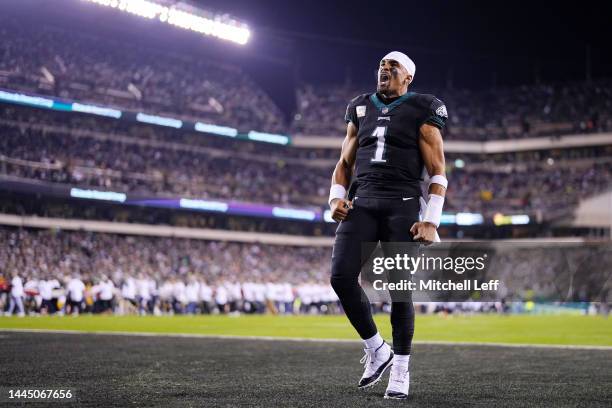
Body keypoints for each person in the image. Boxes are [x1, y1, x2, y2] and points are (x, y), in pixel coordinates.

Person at [328, 51, 448, 399]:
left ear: (407, 76)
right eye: (381, 64)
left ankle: (401, 369)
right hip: (362, 201)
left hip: (404, 204)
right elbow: (343, 163)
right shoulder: (360, 106)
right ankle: (378, 348)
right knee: (340, 277)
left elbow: (438, 170)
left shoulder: (423, 107)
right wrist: (335, 198)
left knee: (399, 288)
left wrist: (431, 219)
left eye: (392, 66)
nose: (384, 69)